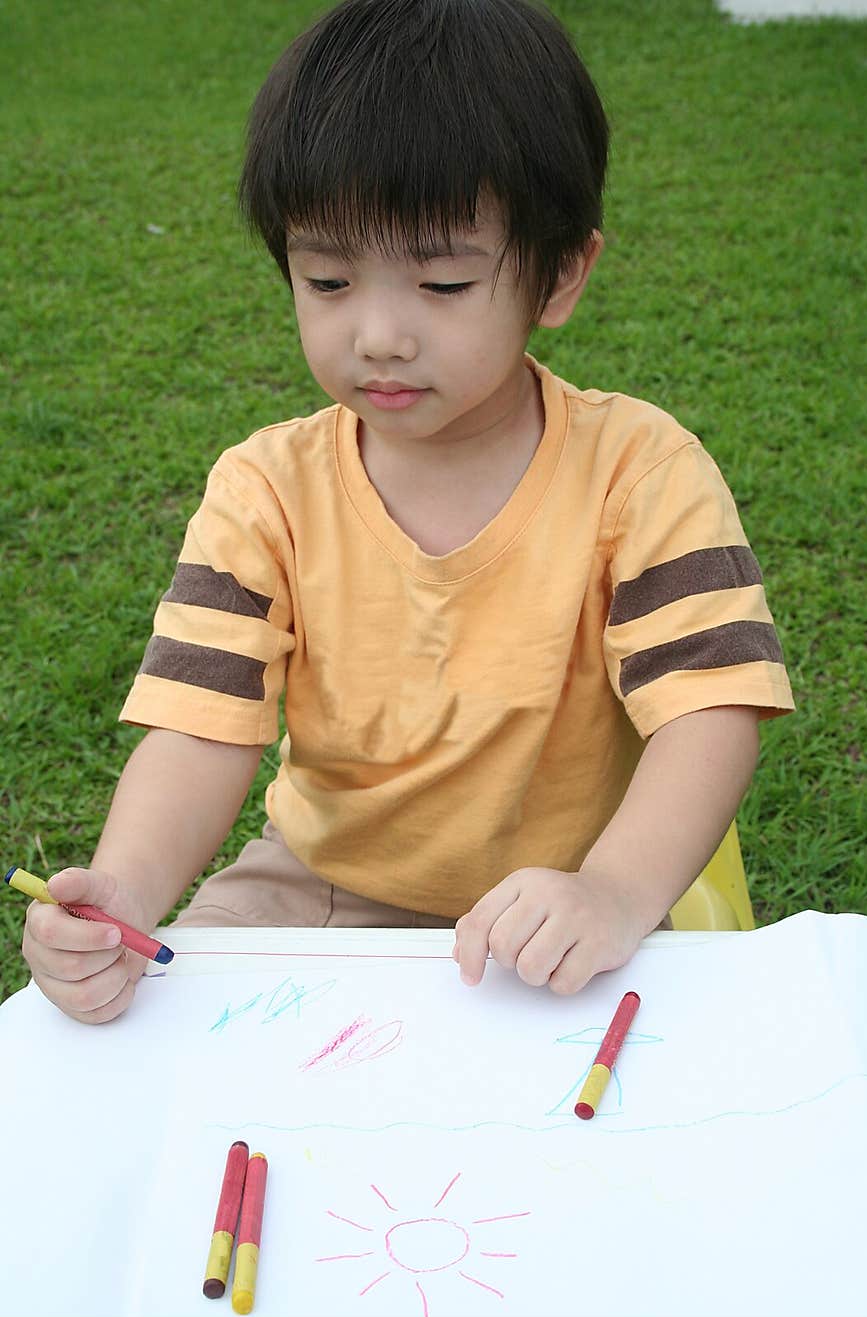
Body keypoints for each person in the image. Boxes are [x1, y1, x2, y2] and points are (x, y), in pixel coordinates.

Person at [21, 0, 794, 1024]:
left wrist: (611, 890)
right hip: (326, 884)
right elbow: (201, 730)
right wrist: (125, 890)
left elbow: (709, 710)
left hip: (563, 897)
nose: (378, 333)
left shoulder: (640, 473)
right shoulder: (264, 491)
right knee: (170, 1034)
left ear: (560, 274)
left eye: (441, 280)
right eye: (328, 278)